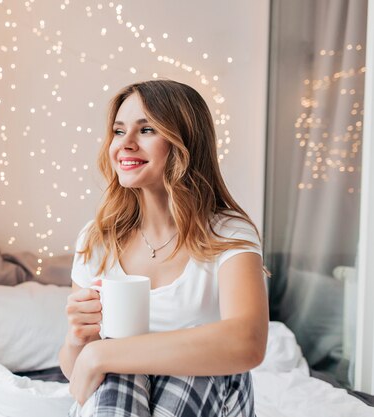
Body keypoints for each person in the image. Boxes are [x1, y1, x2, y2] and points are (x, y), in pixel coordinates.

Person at [58, 79, 268, 417]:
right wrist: (79, 341)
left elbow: (248, 343)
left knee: (193, 367)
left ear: (184, 142)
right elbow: (78, 376)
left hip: (209, 391)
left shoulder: (228, 234)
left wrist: (104, 354)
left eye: (146, 130)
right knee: (116, 376)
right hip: (121, 397)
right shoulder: (96, 239)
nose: (124, 145)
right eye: (118, 130)